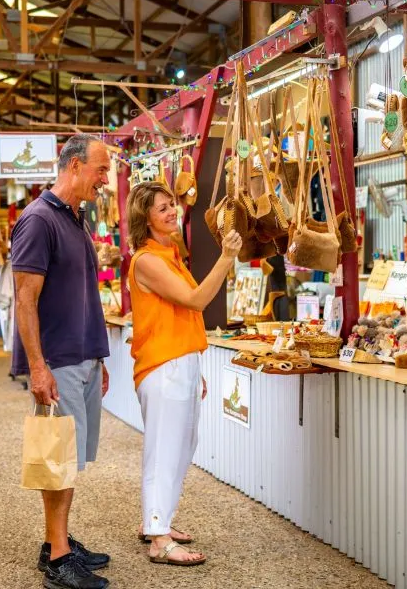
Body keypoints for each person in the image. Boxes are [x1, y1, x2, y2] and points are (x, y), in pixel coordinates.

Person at [11, 133, 113, 589]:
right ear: (74, 166)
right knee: (58, 459)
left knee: (70, 459)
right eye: (101, 170)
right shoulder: (37, 220)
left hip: (83, 356)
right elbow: (24, 300)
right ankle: (57, 557)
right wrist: (37, 366)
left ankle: (59, 540)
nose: (105, 180)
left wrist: (98, 355)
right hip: (58, 360)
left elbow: (81, 292)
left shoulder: (75, 217)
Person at [126, 181, 242, 566]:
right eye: (162, 208)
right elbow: (195, 300)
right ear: (145, 218)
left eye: (172, 204)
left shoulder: (169, 253)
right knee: (164, 450)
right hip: (164, 366)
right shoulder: (147, 260)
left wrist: (193, 366)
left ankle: (159, 521)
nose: (172, 211)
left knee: (182, 446)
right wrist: (226, 257)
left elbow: (182, 314)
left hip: (180, 363)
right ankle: (158, 537)